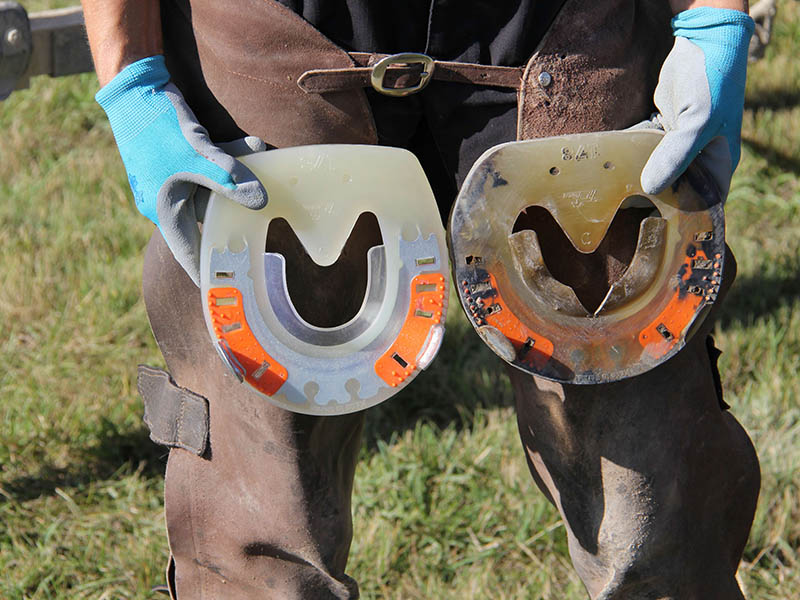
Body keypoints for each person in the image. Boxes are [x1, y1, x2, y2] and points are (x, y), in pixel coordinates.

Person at [80, 1, 760, 598]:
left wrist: (714, 16)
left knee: (649, 462)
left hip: (558, 23)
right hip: (278, 24)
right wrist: (131, 77)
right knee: (259, 480)